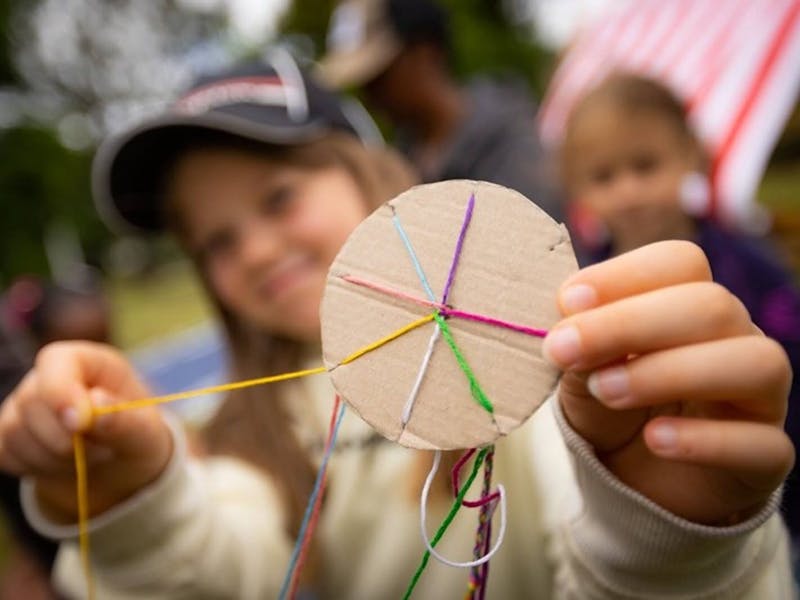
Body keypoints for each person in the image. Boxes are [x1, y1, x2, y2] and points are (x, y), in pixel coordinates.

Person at [0, 59, 795, 599]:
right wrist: (136, 502)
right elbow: (221, 561)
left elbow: (581, 512)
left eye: (278, 199)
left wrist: (664, 535)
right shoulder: (242, 426)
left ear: (371, 178)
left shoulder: (522, 338)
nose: (256, 250)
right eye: (216, 241)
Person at [558, 72, 800, 557]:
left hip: (769, 511)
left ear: (691, 154)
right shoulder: (578, 290)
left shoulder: (752, 270)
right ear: (577, 186)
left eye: (646, 165)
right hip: (632, 514)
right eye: (604, 176)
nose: (627, 191)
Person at [317, 0, 563, 222]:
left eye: (378, 78)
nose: (369, 96)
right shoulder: (403, 164)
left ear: (425, 54)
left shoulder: (516, 141)